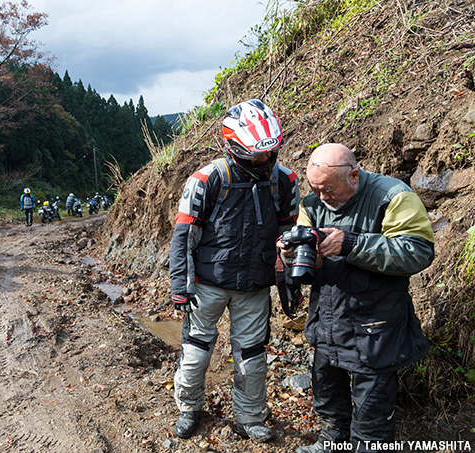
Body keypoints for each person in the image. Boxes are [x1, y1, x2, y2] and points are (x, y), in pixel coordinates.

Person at [277, 144, 434, 453]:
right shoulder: (314, 202)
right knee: (327, 392)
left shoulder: (393, 196)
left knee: (371, 412)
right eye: (315, 189)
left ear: (353, 175)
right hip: (329, 318)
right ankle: (332, 442)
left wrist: (351, 244)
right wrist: (295, 254)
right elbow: (305, 242)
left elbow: (417, 252)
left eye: (328, 189)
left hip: (377, 325)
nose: (322, 197)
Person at [169, 99, 300, 442]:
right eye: (255, 154)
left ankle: (250, 417)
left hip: (255, 285)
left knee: (253, 356)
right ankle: (188, 407)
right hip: (207, 284)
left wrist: (291, 282)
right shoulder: (207, 179)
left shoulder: (285, 180)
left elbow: (290, 234)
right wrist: (181, 286)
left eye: (269, 153)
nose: (263, 160)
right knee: (196, 351)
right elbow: (184, 235)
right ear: (232, 145)